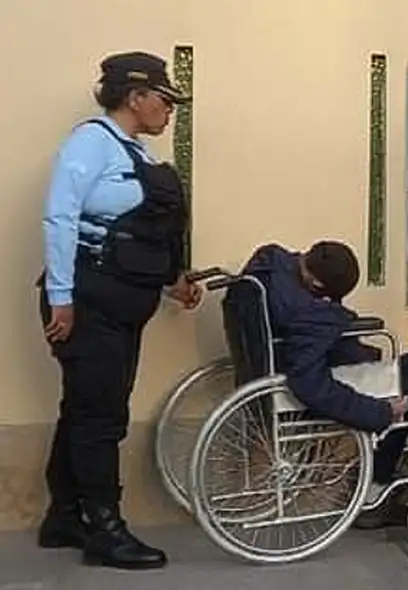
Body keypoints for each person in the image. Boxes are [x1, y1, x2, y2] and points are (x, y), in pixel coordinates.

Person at [37, 51, 201, 570]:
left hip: (120, 305)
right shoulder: (91, 142)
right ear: (135, 97)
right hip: (86, 303)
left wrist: (173, 282)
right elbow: (60, 217)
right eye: (165, 99)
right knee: (100, 417)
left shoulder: (137, 153)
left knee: (85, 408)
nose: (170, 110)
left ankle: (64, 514)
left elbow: (143, 233)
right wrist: (61, 297)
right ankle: (105, 529)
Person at [240, 241, 408, 526]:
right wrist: (380, 413)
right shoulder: (312, 314)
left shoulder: (269, 265)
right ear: (316, 282)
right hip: (308, 381)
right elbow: (310, 383)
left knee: (391, 369)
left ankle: (399, 470)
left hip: (277, 364)